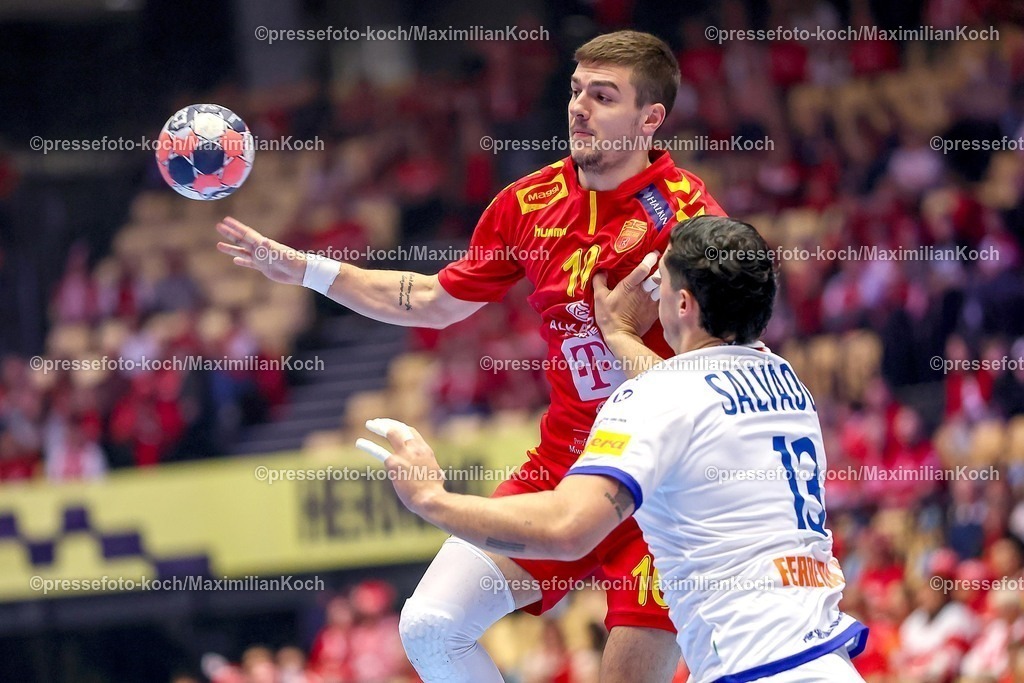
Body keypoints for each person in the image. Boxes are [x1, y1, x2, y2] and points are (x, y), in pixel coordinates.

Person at [217, 30, 723, 682]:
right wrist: (306, 270)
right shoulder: (528, 204)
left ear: (650, 118)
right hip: (562, 471)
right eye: (575, 91)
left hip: (662, 492)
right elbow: (431, 299)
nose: (578, 108)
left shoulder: (690, 219)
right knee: (430, 625)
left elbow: (712, 378)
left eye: (603, 96)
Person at [357, 216, 868, 682]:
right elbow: (689, 393)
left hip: (752, 668)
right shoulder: (785, 380)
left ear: (684, 304)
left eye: (660, 284)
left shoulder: (654, 397)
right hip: (827, 662)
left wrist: (431, 499)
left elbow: (566, 530)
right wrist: (620, 336)